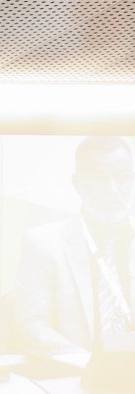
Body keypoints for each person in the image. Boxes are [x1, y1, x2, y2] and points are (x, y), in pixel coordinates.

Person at [15, 136, 135, 372]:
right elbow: (32, 326)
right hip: (78, 379)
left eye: (122, 177)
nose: (112, 189)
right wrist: (91, 364)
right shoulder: (44, 244)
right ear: (77, 184)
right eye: (100, 178)